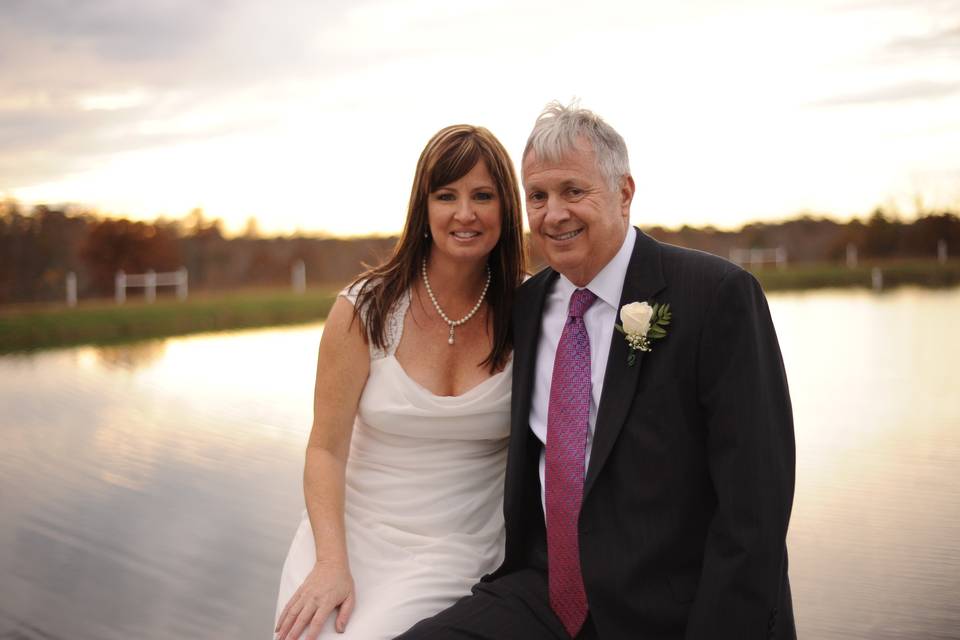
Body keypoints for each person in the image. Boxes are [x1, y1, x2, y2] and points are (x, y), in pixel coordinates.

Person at [397, 103, 797, 639]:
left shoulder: (716, 296)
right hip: (544, 594)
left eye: (573, 191)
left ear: (624, 193)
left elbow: (756, 509)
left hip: (674, 609)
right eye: (537, 196)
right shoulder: (528, 304)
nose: (553, 213)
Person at [273, 124, 526, 640]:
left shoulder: (531, 310)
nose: (465, 213)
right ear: (423, 207)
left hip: (456, 549)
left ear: (506, 208)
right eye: (446, 195)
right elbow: (324, 449)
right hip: (345, 539)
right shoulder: (363, 310)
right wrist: (330, 564)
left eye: (483, 196)